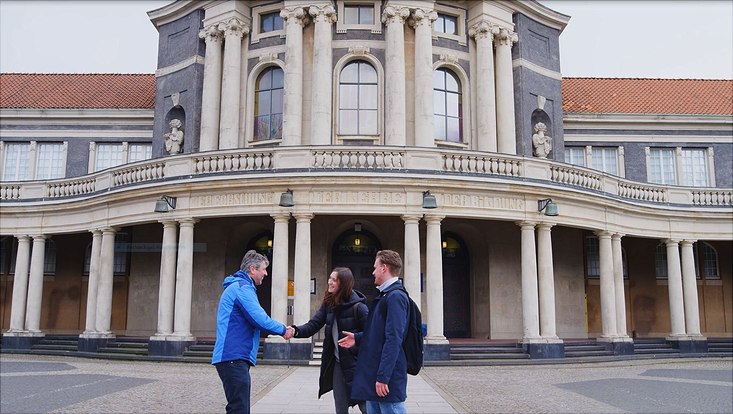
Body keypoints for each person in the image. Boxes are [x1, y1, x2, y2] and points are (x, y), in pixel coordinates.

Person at [211, 249, 294, 414]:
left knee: (239, 407)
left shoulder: (240, 286)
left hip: (233, 357)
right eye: (263, 269)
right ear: (252, 269)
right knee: (239, 409)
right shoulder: (242, 287)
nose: (266, 273)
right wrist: (283, 329)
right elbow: (259, 318)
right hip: (233, 356)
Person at [338, 250, 410, 414]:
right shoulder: (385, 296)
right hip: (374, 374)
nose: (373, 272)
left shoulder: (395, 297)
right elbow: (379, 333)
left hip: (385, 379)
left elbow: (393, 339)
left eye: (375, 267)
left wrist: (384, 377)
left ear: (384, 268)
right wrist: (358, 338)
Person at [290, 267, 368, 414]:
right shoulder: (329, 304)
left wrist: (355, 341)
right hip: (339, 364)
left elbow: (372, 335)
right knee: (340, 406)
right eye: (330, 278)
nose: (329, 282)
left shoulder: (360, 308)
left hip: (358, 365)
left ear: (343, 283)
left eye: (334, 279)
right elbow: (313, 325)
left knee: (366, 407)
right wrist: (295, 331)